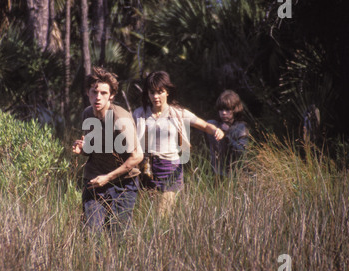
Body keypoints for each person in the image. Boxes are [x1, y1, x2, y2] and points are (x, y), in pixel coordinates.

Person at [132, 71, 224, 216]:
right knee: (146, 215)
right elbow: (124, 133)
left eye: (160, 92)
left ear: (167, 92)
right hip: (146, 167)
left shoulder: (178, 113)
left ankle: (162, 238)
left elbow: (204, 125)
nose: (155, 97)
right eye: (152, 92)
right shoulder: (139, 113)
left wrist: (216, 130)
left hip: (169, 166)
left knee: (162, 216)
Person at [72, 66, 143, 238]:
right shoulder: (88, 114)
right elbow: (93, 149)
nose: (98, 97)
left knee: (117, 236)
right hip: (95, 179)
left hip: (123, 183)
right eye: (94, 92)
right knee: (91, 234)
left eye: (104, 93)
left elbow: (137, 156)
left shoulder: (120, 119)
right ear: (88, 93)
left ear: (111, 95)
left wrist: (108, 178)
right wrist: (82, 149)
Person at [205, 90, 249, 176]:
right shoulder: (213, 125)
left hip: (234, 175)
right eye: (221, 109)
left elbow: (241, 153)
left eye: (227, 109)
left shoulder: (241, 127)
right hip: (214, 173)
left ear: (234, 110)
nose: (224, 112)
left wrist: (226, 136)